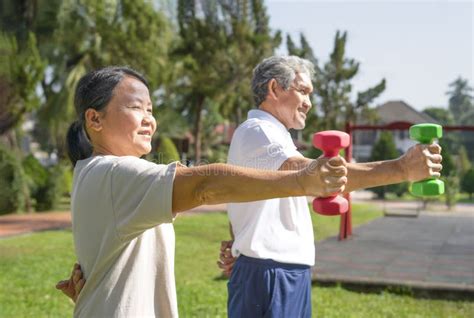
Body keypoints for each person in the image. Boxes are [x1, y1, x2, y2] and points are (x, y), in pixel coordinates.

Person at [60, 66, 349, 317]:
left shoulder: (94, 172)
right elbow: (204, 185)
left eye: (150, 109)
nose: (149, 119)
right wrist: (302, 182)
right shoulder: (115, 173)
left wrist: (98, 285)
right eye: (136, 108)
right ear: (94, 119)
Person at [215, 55, 442, 317]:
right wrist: (402, 169)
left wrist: (238, 242)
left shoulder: (276, 135)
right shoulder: (259, 130)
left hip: (281, 269)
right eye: (303, 91)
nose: (309, 103)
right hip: (270, 273)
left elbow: (245, 196)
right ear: (274, 88)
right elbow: (316, 176)